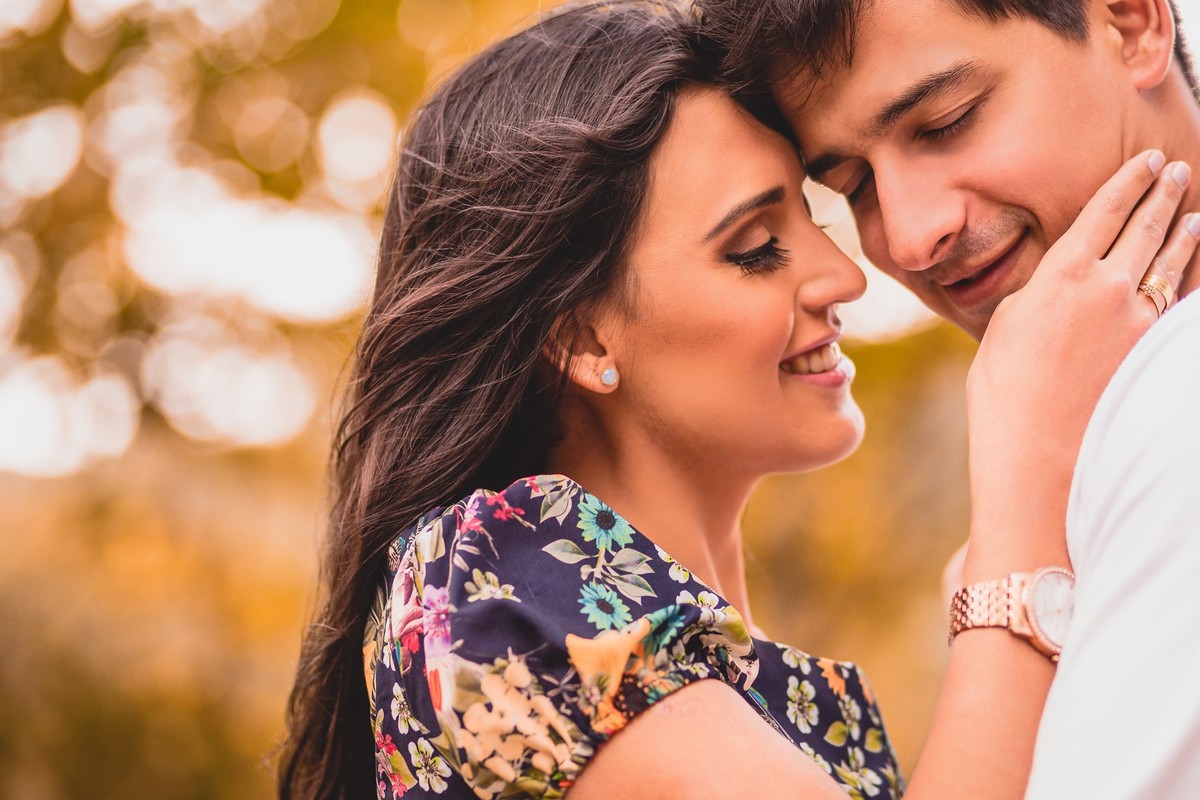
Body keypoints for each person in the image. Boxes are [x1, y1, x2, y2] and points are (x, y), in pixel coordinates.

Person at [276, 2, 1196, 799]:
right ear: (582, 338)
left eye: (818, 212)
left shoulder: (749, 689)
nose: (856, 269)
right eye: (758, 245)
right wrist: (1020, 533)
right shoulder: (488, 588)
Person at [697, 0, 1200, 796]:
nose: (905, 237)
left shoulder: (1177, 394)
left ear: (1131, 24)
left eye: (945, 122)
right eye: (853, 186)